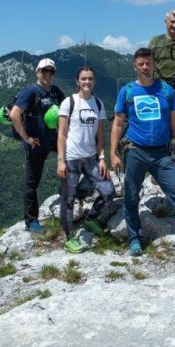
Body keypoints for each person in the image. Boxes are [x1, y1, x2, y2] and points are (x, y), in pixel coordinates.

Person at [110, 48, 175, 257]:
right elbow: (118, 123)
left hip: (161, 154)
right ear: (135, 67)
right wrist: (112, 153)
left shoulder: (166, 90)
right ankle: (135, 240)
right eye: (141, 64)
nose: (146, 67)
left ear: (154, 65)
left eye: (149, 63)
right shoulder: (128, 91)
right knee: (131, 198)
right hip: (135, 150)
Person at [56, 66, 115, 253]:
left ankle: (90, 220)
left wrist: (103, 157)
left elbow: (100, 135)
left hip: (91, 158)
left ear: (94, 81)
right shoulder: (69, 102)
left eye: (90, 79)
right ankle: (69, 237)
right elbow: (62, 133)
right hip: (71, 158)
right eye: (83, 79)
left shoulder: (98, 104)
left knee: (108, 191)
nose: (87, 82)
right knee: (68, 200)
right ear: (77, 81)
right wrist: (60, 160)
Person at [10, 58, 66, 234]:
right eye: (44, 71)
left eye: (51, 71)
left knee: (71, 160)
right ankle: (31, 221)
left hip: (54, 139)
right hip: (36, 144)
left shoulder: (55, 91)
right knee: (32, 183)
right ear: (37, 72)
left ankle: (70, 192)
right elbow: (14, 114)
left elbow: (68, 107)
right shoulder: (30, 91)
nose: (48, 74)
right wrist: (26, 138)